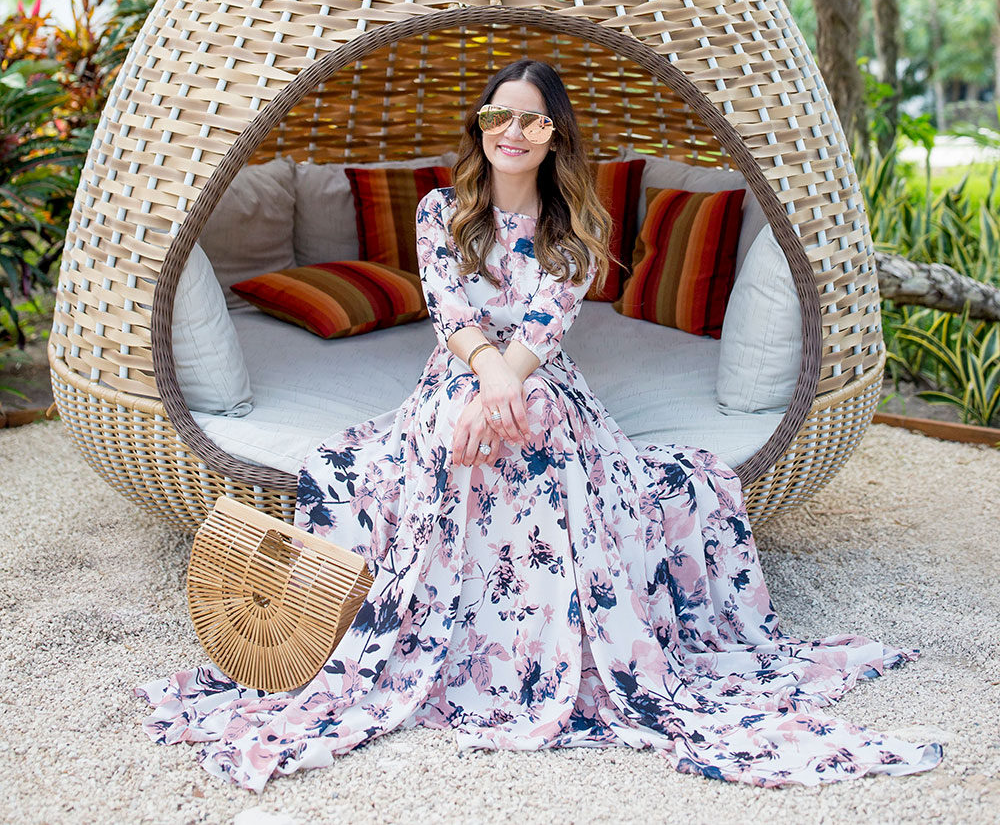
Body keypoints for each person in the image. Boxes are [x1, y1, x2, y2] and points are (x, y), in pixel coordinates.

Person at [136, 58, 944, 793]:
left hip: (541, 380)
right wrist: (485, 386)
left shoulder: (573, 233)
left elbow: (541, 331)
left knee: (539, 433)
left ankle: (534, 650)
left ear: (556, 137)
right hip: (456, 375)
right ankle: (469, 635)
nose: (510, 132)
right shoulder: (439, 211)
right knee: (467, 429)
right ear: (480, 130)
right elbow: (449, 313)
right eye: (496, 117)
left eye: (530, 119)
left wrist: (503, 390)